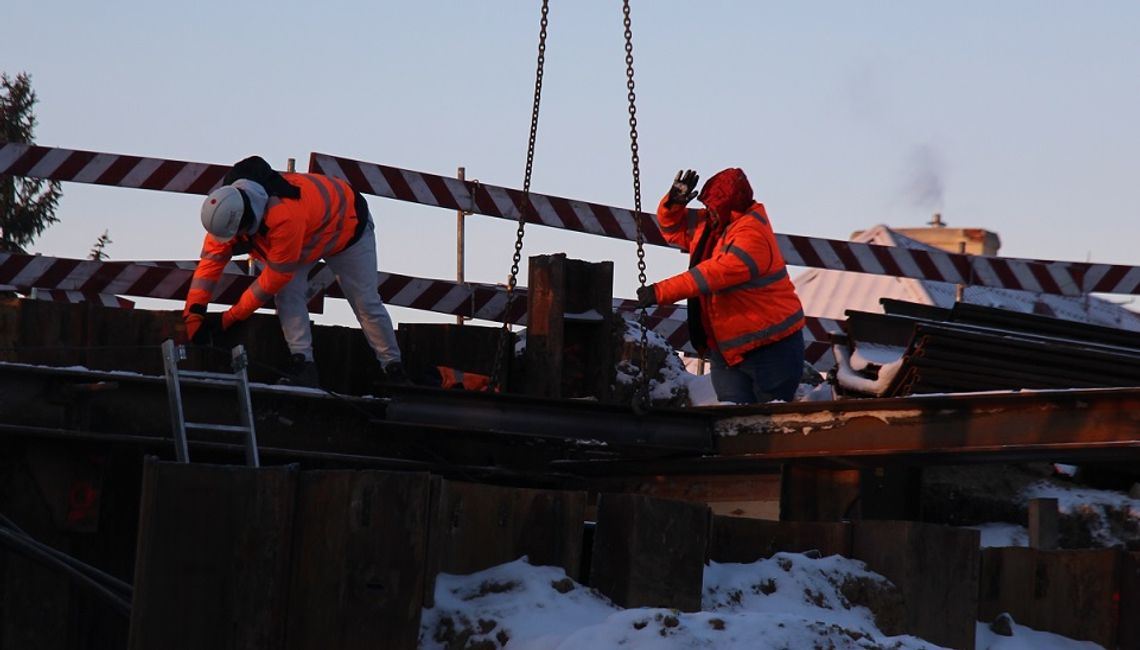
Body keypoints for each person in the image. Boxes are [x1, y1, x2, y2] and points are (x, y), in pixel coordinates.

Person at [183, 155, 407, 388]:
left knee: (365, 302)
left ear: (245, 221)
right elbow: (210, 263)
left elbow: (274, 278)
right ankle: (303, 364)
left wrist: (230, 317)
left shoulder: (283, 217)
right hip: (306, 236)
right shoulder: (226, 213)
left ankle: (393, 367)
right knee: (288, 295)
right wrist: (194, 313)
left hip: (348, 228)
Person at [636, 167, 805, 404]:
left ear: (730, 208)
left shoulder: (752, 236)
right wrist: (673, 204)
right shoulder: (713, 225)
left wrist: (660, 292)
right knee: (732, 426)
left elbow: (712, 275)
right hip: (728, 350)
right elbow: (673, 230)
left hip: (771, 349)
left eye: (714, 208)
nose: (708, 212)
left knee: (770, 424)